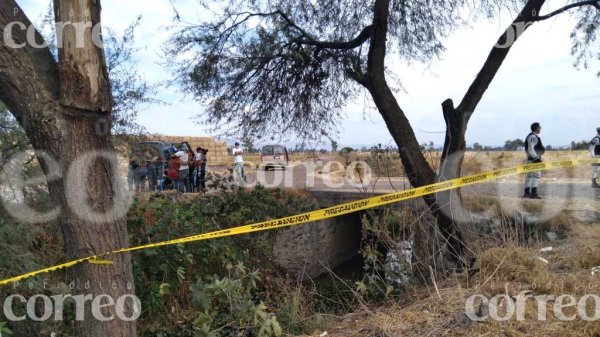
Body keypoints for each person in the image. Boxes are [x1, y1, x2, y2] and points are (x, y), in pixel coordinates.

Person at [523, 122, 545, 199]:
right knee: (536, 176)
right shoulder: (533, 136)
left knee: (529, 176)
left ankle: (527, 193)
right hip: (534, 160)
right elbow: (530, 148)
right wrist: (536, 158)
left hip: (530, 159)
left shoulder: (531, 136)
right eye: (539, 127)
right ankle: (534, 194)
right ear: (536, 128)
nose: (540, 129)